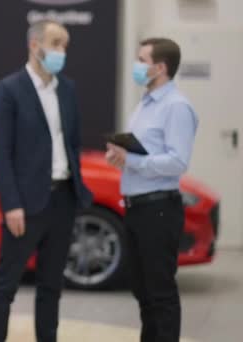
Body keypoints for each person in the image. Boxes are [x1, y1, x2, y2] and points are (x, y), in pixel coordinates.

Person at [0, 20, 92, 342]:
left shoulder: (67, 88)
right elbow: (1, 154)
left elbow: (72, 142)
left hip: (63, 198)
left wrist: (76, 185)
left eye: (64, 45)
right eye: (56, 43)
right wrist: (12, 204)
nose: (61, 51)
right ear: (35, 45)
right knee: (6, 284)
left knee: (52, 285)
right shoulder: (9, 90)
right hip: (26, 203)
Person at [105, 38, 198, 342]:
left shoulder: (177, 107)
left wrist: (131, 160)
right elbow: (145, 155)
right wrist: (122, 158)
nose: (137, 65)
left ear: (160, 67)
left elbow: (177, 162)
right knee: (142, 290)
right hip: (136, 207)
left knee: (160, 293)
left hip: (158, 208)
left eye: (142, 60)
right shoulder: (145, 103)